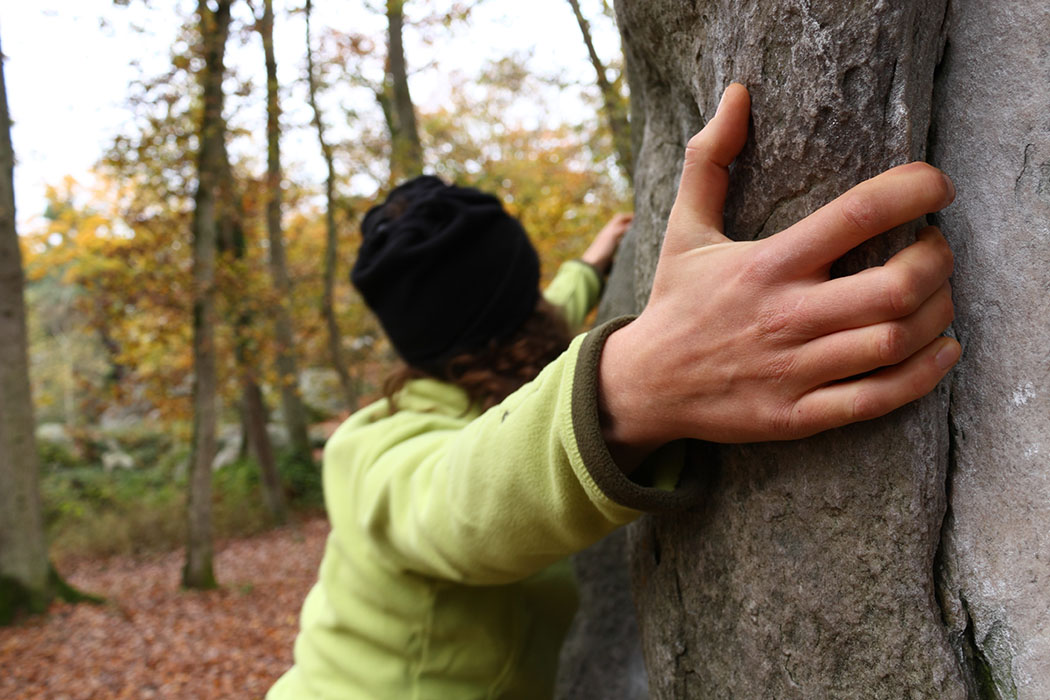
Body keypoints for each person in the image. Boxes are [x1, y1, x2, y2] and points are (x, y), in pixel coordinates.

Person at [268, 83, 959, 699]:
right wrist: (638, 380)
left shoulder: (499, 362)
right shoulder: (371, 449)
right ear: (517, 312)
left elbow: (550, 313)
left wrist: (594, 262)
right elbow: (456, 500)